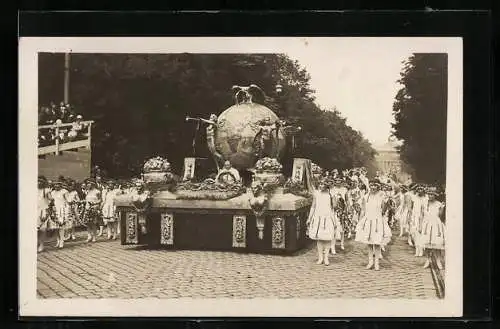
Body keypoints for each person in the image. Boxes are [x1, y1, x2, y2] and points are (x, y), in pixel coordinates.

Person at [355, 181, 392, 270]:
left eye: (375, 185)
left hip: (377, 221)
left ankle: (376, 263)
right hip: (368, 220)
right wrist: (360, 222)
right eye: (371, 185)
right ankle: (370, 261)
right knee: (369, 243)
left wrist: (386, 203)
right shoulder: (365, 197)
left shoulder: (382, 197)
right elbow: (363, 210)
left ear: (378, 187)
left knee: (377, 242)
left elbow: (384, 211)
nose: (373, 187)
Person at [306, 180, 338, 266]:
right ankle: (320, 257)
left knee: (327, 238)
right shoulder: (316, 194)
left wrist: (334, 197)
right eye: (320, 184)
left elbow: (334, 207)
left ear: (327, 186)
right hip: (318, 217)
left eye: (323, 184)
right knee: (319, 238)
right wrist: (309, 218)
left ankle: (326, 257)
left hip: (328, 217)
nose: (321, 185)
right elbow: (313, 206)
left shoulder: (330, 195)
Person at [419, 187, 445, 269]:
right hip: (426, 224)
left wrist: (442, 208)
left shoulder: (439, 204)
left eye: (432, 194)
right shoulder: (424, 203)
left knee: (437, 243)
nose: (430, 196)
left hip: (436, 224)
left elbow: (440, 216)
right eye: (429, 194)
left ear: (435, 195)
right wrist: (420, 225)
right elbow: (421, 215)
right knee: (426, 243)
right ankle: (428, 260)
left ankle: (438, 260)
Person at [50, 181, 70, 249]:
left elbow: (68, 202)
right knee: (56, 227)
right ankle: (58, 241)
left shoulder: (64, 191)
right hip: (55, 210)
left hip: (62, 210)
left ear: (60, 185)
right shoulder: (52, 192)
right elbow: (51, 202)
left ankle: (62, 241)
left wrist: (66, 212)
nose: (56, 186)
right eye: (55, 184)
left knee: (61, 226)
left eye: (57, 184)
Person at [37, 177, 52, 252]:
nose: (39, 183)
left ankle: (41, 244)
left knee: (42, 229)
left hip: (43, 211)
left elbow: (51, 199)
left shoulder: (46, 190)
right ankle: (36, 243)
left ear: (44, 183)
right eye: (38, 181)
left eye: (41, 181)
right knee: (35, 229)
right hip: (35, 210)